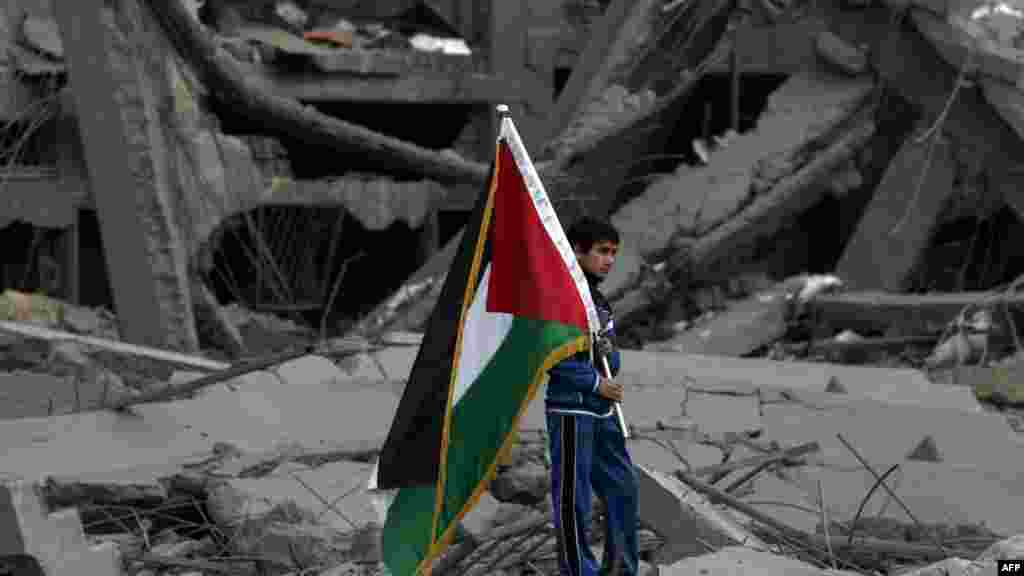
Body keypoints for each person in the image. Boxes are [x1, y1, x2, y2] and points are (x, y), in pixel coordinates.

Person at [545, 217, 639, 576]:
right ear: (578, 251)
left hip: (603, 411)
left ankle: (620, 568)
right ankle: (578, 571)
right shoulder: (560, 295)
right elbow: (550, 354)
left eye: (614, 252)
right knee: (574, 499)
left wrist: (606, 354)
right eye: (602, 251)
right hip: (571, 410)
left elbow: (609, 356)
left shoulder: (597, 299)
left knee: (623, 487)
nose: (610, 260)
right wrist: (594, 382)